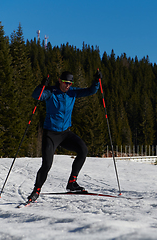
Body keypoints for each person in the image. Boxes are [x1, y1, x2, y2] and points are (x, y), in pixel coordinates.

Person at [27, 70, 101, 203]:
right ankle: (36, 190)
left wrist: (96, 81)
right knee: (47, 164)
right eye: (66, 83)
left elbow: (91, 91)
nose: (68, 86)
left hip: (65, 133)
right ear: (60, 80)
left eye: (70, 83)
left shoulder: (72, 92)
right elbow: (36, 96)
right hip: (50, 134)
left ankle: (72, 183)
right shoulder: (51, 92)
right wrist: (41, 86)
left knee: (83, 150)